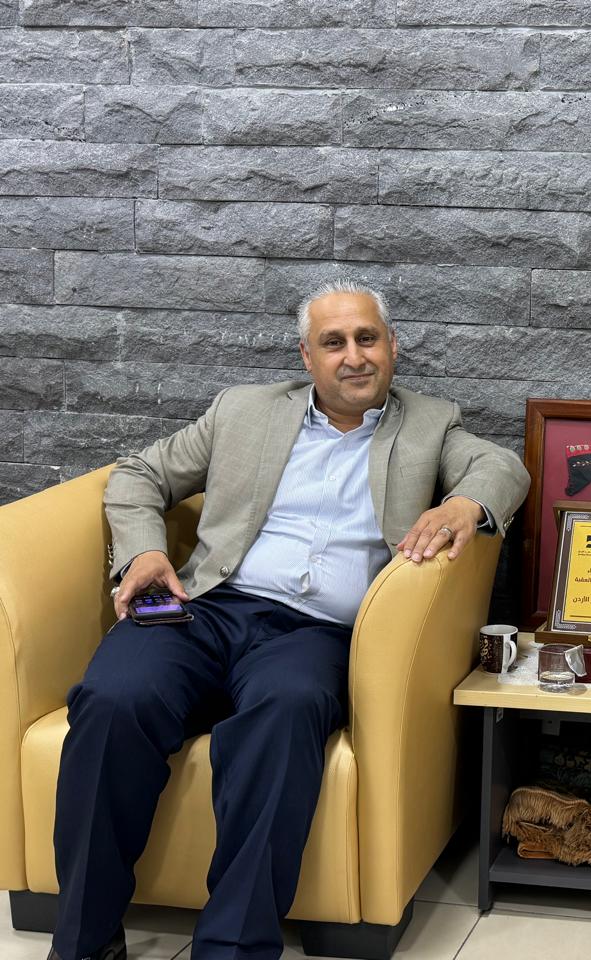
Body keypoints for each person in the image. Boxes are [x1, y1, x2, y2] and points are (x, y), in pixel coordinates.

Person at [50, 281, 529, 960]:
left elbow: (502, 467)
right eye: (334, 343)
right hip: (207, 610)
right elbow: (137, 474)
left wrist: (464, 506)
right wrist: (146, 551)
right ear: (307, 356)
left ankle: (233, 950)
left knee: (285, 712)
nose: (354, 356)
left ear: (393, 347)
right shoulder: (242, 410)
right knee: (111, 699)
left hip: (317, 635)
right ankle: (84, 944)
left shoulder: (430, 423)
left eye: (367, 338)